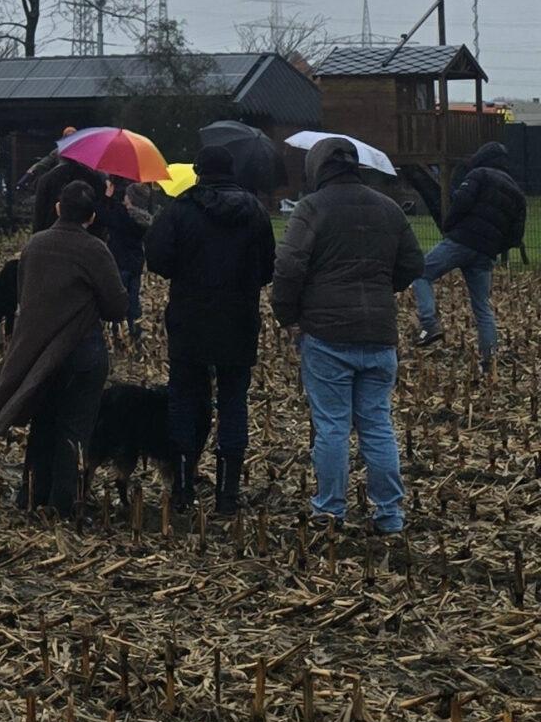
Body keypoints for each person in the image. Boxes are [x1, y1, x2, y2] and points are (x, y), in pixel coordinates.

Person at [271, 137, 425, 535]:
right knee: (377, 424)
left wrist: (287, 315)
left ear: (318, 168)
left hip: (326, 335)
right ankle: (390, 514)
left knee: (333, 426)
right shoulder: (388, 208)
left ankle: (329, 510)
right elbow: (413, 262)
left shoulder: (311, 208)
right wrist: (379, 289)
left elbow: (288, 266)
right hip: (379, 334)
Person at [0, 180, 128, 515]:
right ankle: (63, 505)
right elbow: (117, 307)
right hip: (83, 354)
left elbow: (26, 295)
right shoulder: (95, 250)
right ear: (92, 216)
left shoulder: (35, 246)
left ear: (57, 208)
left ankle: (31, 496)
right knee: (74, 431)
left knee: (43, 424)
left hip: (39, 354)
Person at [144, 145, 276, 512]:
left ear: (199, 171)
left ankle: (183, 489)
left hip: (190, 320)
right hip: (239, 320)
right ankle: (227, 495)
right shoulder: (256, 212)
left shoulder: (181, 210)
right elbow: (268, 268)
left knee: (184, 401)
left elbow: (157, 259)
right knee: (234, 403)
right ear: (232, 171)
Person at [407, 144, 527, 365]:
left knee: (421, 272)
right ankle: (489, 361)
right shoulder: (517, 193)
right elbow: (515, 236)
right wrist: (494, 248)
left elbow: (460, 202)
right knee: (482, 307)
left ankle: (429, 323)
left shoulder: (478, 175)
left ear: (482, 157)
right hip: (485, 254)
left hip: (461, 241)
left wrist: (449, 227)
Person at [96, 177, 153, 353]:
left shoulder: (122, 216)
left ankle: (117, 336)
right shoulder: (143, 220)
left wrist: (107, 196)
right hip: (135, 264)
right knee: (133, 302)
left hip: (119, 263)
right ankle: (136, 337)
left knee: (116, 301)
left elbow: (102, 215)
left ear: (131, 198)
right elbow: (119, 214)